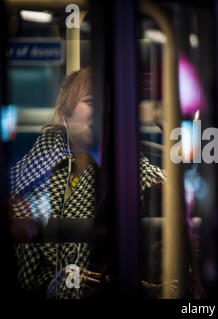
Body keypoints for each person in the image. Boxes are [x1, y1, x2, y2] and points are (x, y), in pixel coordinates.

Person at [8, 68, 165, 299]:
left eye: (110, 103)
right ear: (63, 116)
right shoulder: (28, 183)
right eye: (91, 101)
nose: (103, 111)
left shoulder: (145, 176)